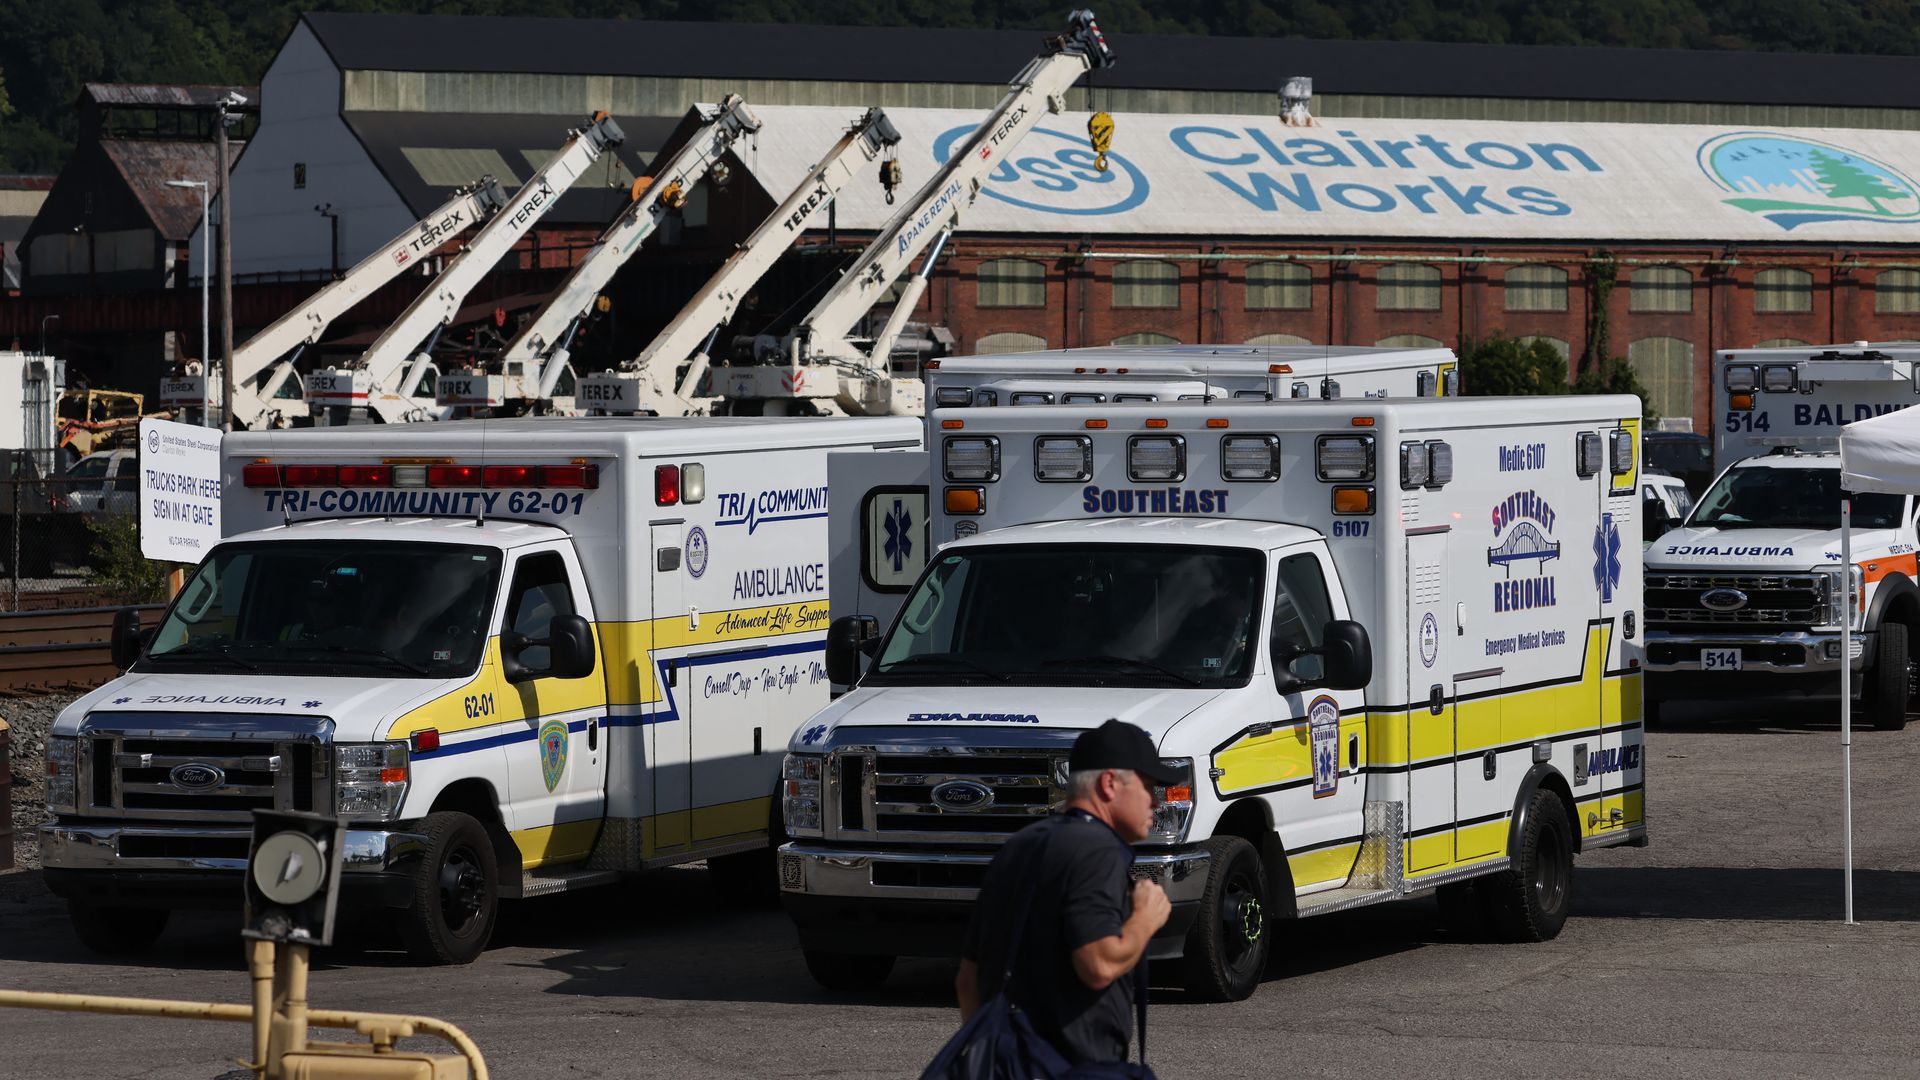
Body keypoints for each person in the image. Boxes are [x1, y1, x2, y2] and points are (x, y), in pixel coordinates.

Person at [953, 719, 1178, 1067]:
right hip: (1075, 1067)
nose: (1156, 802)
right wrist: (1145, 920)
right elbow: (1099, 963)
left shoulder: (1019, 845)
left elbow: (968, 980)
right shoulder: (1098, 850)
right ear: (1109, 784)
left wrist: (993, 1059)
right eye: (1148, 786)